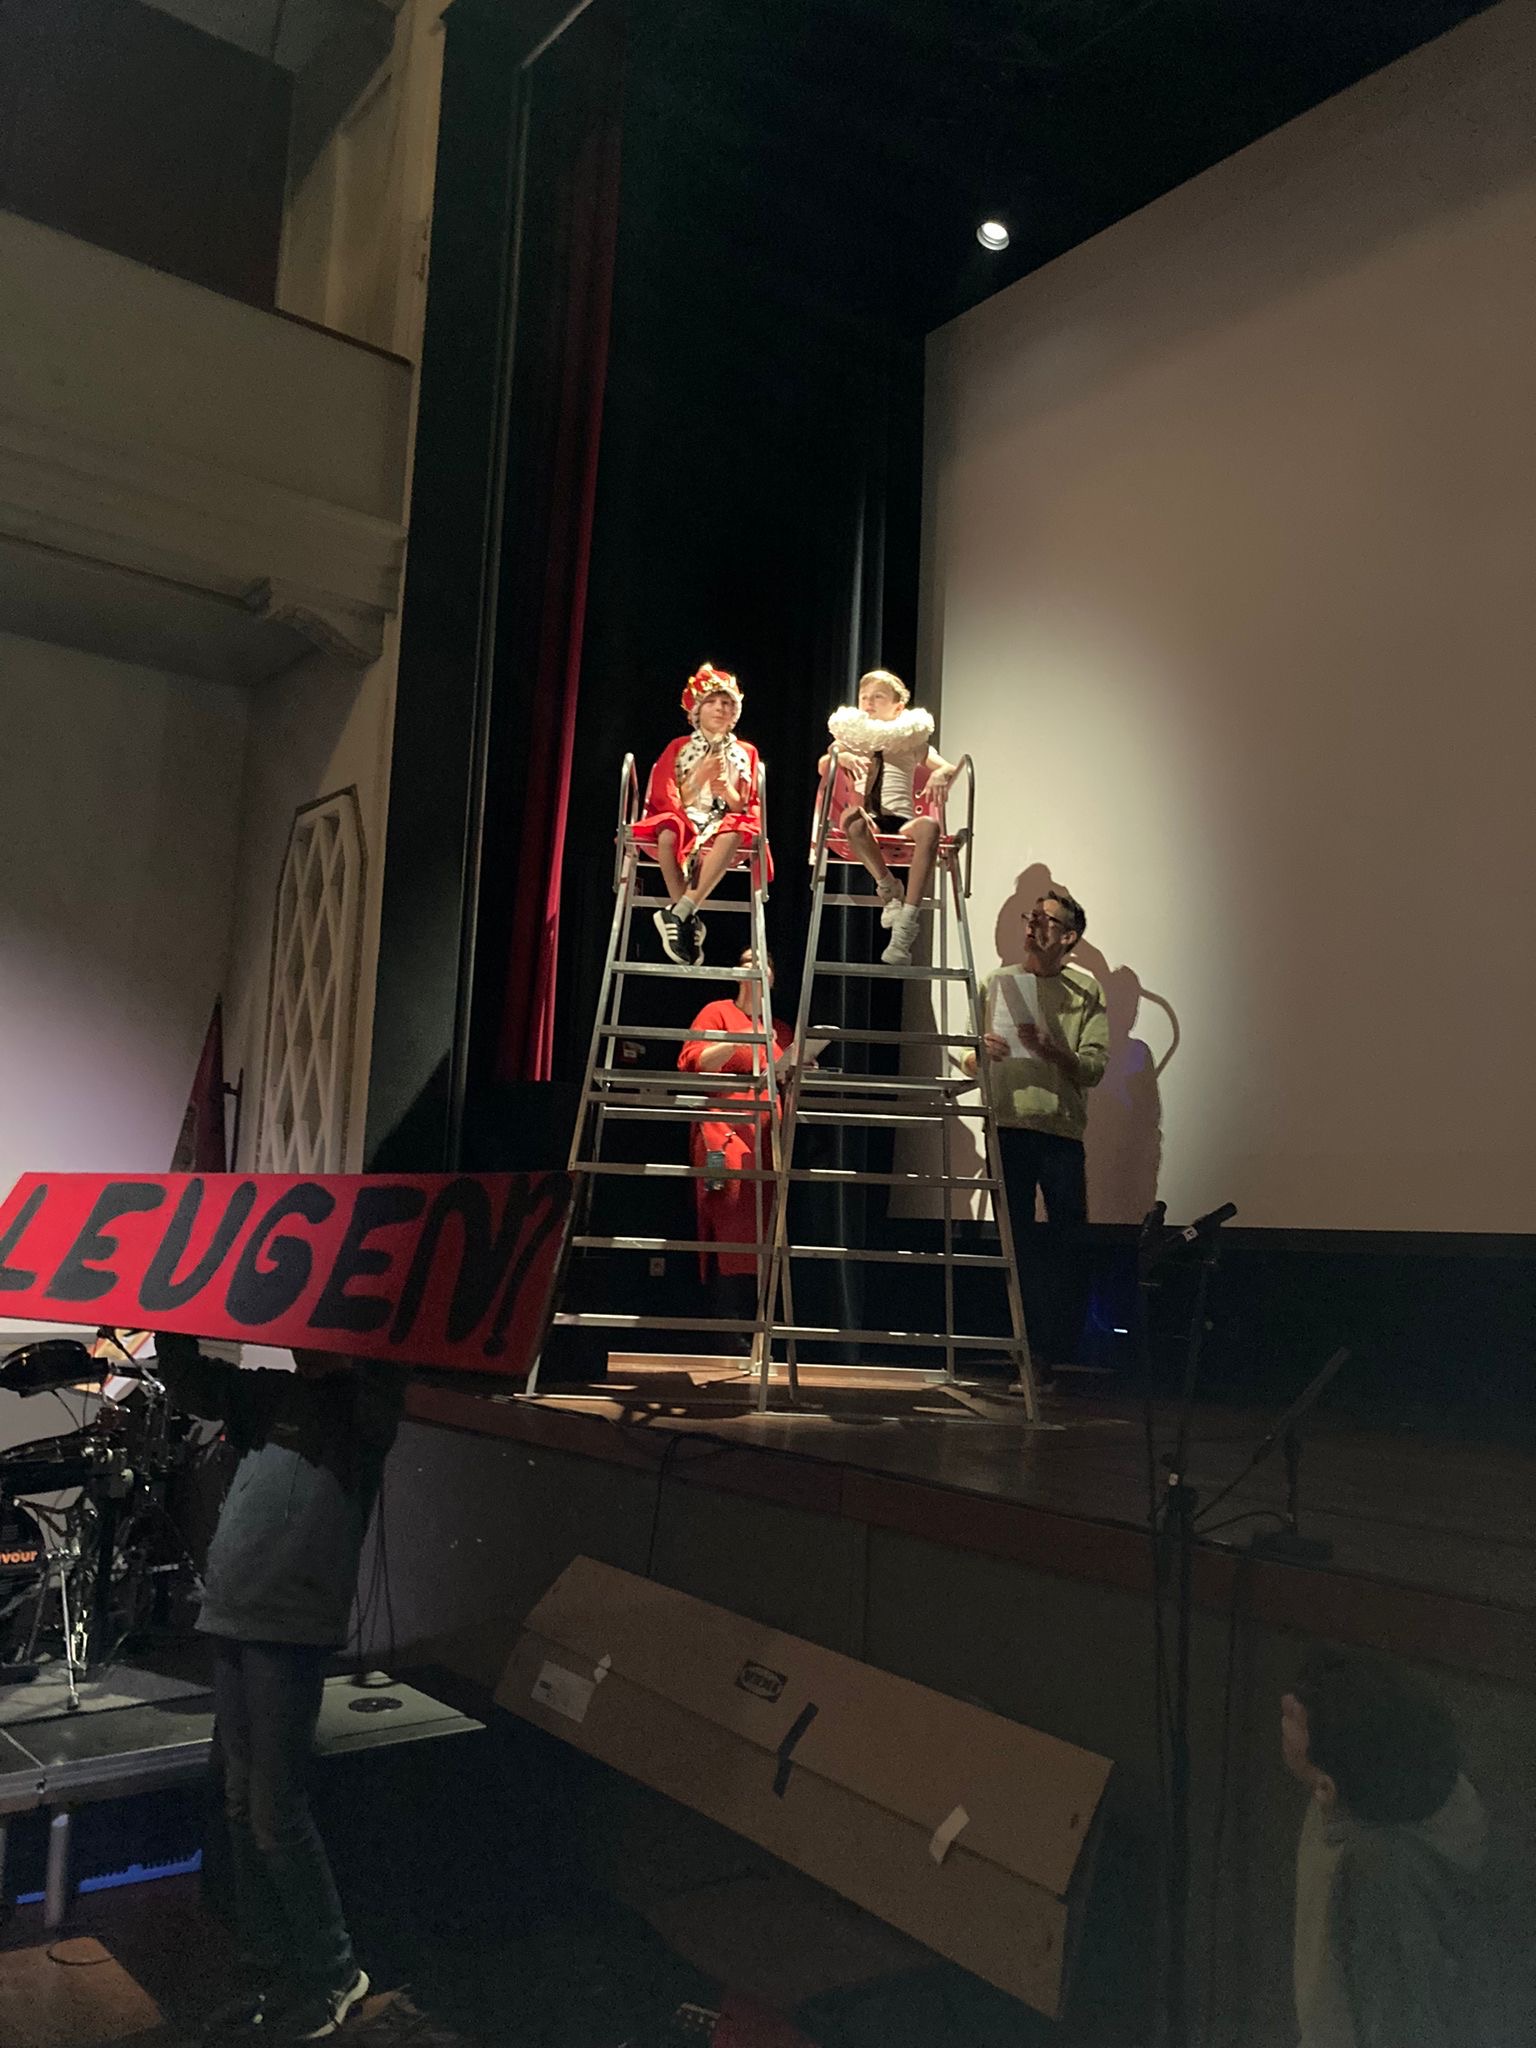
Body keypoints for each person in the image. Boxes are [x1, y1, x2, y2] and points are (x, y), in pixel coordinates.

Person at [154, 1332, 406, 2041]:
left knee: (275, 1811)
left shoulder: (366, 1406)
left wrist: (357, 1340)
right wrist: (164, 1317)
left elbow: (387, 1364)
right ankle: (265, 1964)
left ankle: (334, 1972)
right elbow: (190, 1381)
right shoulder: (267, 1394)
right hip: (234, 1606)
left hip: (290, 1622)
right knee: (242, 1801)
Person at [1280, 1647, 1495, 2048]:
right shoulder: (1402, 1788)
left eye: (1300, 1717)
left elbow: (1398, 2025)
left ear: (1327, 1788)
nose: (1288, 1704)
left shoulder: (1381, 1877)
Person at [963, 888, 1108, 1372]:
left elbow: (1094, 1068)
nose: (1033, 925)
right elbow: (963, 1054)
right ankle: (1022, 1346)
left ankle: (1059, 1349)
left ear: (1069, 937)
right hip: (1006, 1124)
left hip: (1060, 1132)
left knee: (1068, 1240)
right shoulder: (997, 982)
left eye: (1046, 920)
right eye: (1032, 917)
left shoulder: (1086, 990)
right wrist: (980, 1054)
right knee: (1015, 1243)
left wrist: (1051, 1050)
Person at [678, 948, 795, 1343]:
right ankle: (724, 1321)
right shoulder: (717, 1013)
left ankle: (754, 1321)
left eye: (763, 963)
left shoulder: (779, 1027)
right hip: (719, 1137)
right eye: (746, 961)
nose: (754, 967)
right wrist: (739, 1039)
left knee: (761, 1226)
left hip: (764, 1142)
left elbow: (785, 1072)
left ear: (773, 978)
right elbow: (697, 1062)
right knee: (721, 1209)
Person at [632, 663, 767, 966]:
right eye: (712, 702)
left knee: (735, 830)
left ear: (735, 712)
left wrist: (726, 791)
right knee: (668, 831)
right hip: (684, 818)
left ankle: (679, 913)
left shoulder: (745, 752)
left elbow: (745, 806)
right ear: (697, 710)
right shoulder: (679, 747)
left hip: (723, 825)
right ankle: (687, 918)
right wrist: (698, 780)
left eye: (727, 703)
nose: (720, 708)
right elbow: (666, 795)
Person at [822, 669, 955, 966]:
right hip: (868, 820)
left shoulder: (910, 741)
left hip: (903, 822)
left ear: (897, 707)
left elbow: (948, 766)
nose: (869, 703)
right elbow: (825, 762)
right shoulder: (852, 739)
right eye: (864, 697)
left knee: (930, 827)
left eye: (878, 697)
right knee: (852, 817)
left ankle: (907, 920)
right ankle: (888, 887)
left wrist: (940, 775)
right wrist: (841, 756)